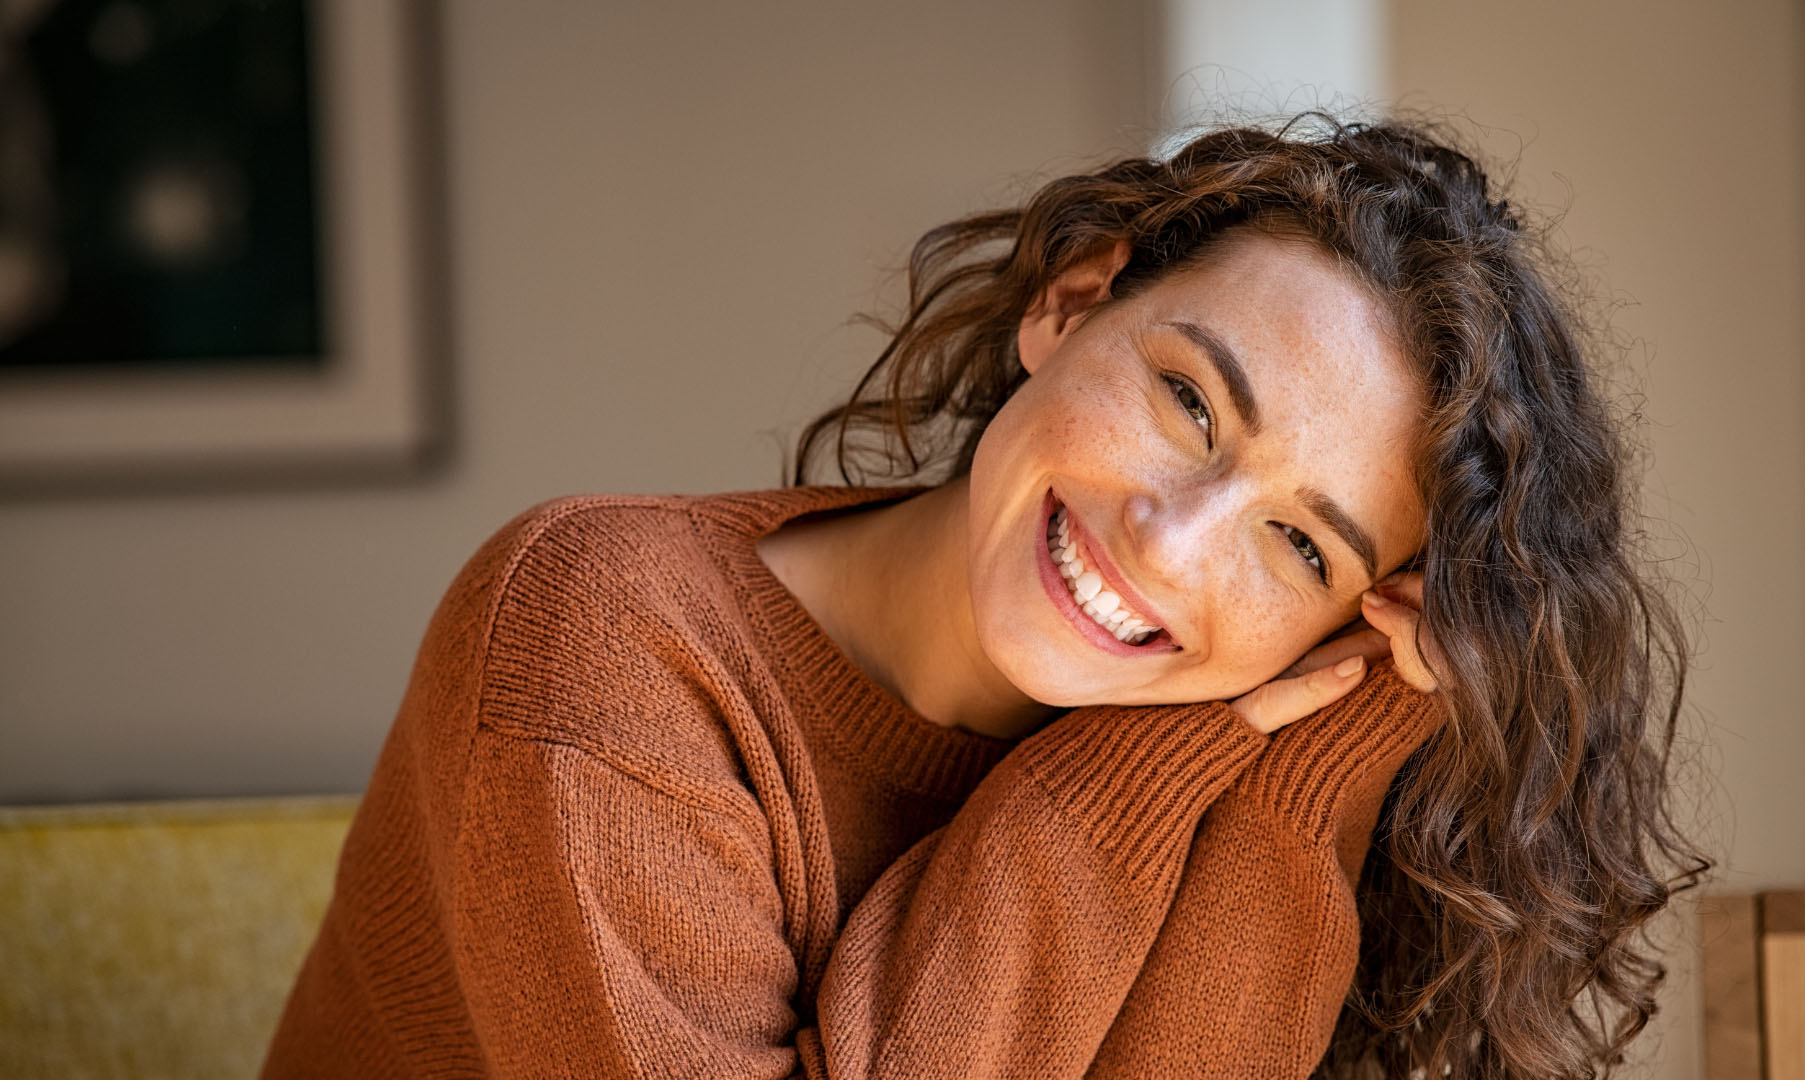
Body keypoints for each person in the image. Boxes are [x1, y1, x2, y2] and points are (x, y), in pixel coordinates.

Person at [263, 113, 1708, 1078]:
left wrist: (1294, 769)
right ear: (1068, 308)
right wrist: (1118, 786)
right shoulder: (603, 636)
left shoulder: (1233, 761)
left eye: (1301, 547)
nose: (1172, 537)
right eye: (1193, 403)